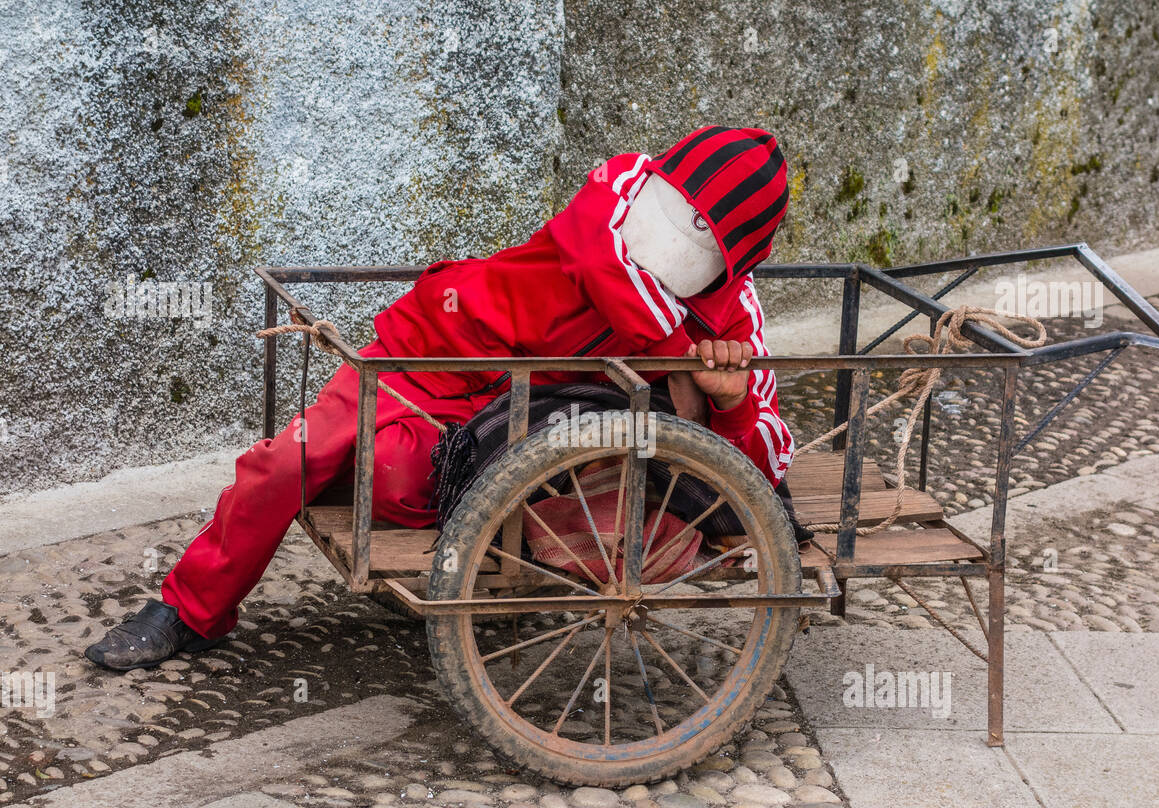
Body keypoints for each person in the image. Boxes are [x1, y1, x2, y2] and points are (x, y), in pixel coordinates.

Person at [84, 125, 796, 671]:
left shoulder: (736, 316)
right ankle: (188, 608)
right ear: (657, 180)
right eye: (675, 206)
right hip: (425, 353)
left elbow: (764, 468)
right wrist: (679, 349)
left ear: (735, 259)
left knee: (397, 484)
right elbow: (610, 270)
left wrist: (727, 398)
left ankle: (381, 479)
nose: (676, 233)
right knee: (285, 462)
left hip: (506, 424)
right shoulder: (616, 192)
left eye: (705, 232)